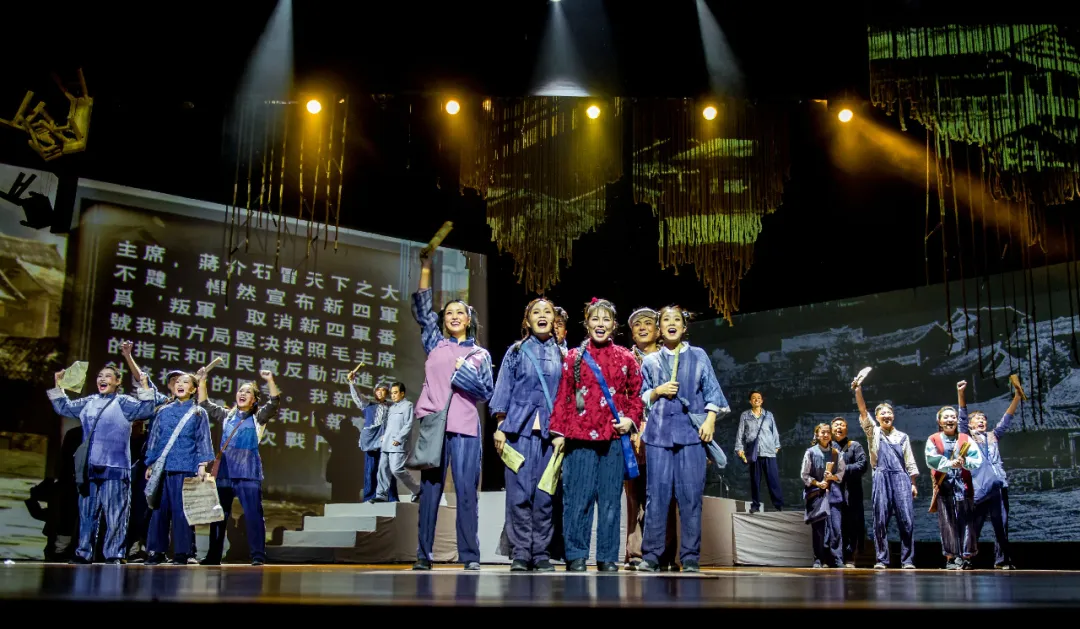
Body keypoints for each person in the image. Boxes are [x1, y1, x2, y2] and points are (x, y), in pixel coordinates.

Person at [411, 253, 494, 571]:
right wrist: (426, 268)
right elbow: (422, 311)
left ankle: (470, 556)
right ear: (443, 319)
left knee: (466, 493)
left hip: (465, 428)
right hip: (435, 425)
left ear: (469, 319)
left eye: (460, 312)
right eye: (449, 313)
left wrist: (465, 372)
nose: (454, 316)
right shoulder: (435, 343)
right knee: (430, 492)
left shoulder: (479, 354)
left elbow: (485, 392)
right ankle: (423, 555)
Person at [550, 298, 643, 572]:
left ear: (614, 325)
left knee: (611, 502)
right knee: (578, 499)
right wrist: (558, 433)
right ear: (587, 323)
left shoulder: (626, 357)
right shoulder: (573, 357)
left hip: (613, 438)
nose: (600, 324)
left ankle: (607, 557)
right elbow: (564, 397)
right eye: (595, 319)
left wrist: (631, 419)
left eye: (606, 319)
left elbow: (637, 395)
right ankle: (576, 555)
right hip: (579, 438)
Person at [636, 305, 727, 573]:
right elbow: (641, 397)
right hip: (658, 435)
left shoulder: (698, 355)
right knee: (656, 497)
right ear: (659, 328)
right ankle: (651, 556)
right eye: (666, 320)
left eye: (676, 319)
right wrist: (658, 391)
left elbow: (713, 392)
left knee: (691, 497)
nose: (671, 323)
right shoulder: (651, 361)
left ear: (684, 327)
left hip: (691, 435)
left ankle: (689, 557)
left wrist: (710, 420)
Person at [47, 365, 157, 564]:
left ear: (117, 382)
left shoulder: (123, 402)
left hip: (115, 467)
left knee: (116, 514)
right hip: (90, 467)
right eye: (100, 376)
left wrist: (145, 387)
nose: (102, 379)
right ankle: (83, 552)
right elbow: (64, 408)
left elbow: (147, 410)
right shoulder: (89, 401)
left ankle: (114, 554)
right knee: (87, 513)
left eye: (108, 376)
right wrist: (58, 385)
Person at [491, 298, 563, 572]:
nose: (542, 316)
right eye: (536, 312)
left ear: (554, 319)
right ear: (528, 320)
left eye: (547, 312)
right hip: (517, 432)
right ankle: (521, 552)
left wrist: (561, 432)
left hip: (550, 435)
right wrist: (500, 425)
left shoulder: (563, 354)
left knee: (545, 495)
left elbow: (567, 397)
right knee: (518, 495)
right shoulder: (516, 351)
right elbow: (504, 388)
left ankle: (541, 552)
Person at [197, 368, 281, 566]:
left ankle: (257, 555)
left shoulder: (258, 417)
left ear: (254, 399)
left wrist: (270, 380)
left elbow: (274, 402)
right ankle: (213, 556)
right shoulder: (227, 415)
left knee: (253, 514)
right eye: (241, 390)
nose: (242, 393)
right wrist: (202, 381)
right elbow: (204, 404)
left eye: (248, 392)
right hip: (225, 471)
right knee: (219, 516)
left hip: (247, 470)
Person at [623, 307, 677, 571]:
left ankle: (665, 553)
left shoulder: (670, 358)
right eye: (637, 325)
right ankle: (635, 553)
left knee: (665, 494)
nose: (643, 328)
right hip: (633, 433)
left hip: (665, 432)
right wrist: (633, 429)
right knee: (634, 495)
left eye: (648, 323)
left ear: (658, 330)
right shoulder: (625, 358)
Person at [143, 372, 214, 565]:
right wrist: (150, 463)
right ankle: (156, 551)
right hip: (163, 468)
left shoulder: (198, 412)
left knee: (182, 513)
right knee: (159, 511)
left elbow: (203, 439)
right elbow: (155, 439)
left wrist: (202, 464)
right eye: (177, 382)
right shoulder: (163, 412)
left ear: (193, 389)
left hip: (186, 466)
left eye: (185, 382)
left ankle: (183, 552)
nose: (180, 384)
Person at [853, 380, 919, 569]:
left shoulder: (902, 437)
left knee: (906, 520)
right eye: (882, 413)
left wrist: (913, 483)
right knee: (880, 519)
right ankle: (882, 559)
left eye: (889, 413)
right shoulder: (873, 433)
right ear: (877, 417)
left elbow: (909, 461)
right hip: (881, 476)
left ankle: (907, 560)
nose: (886, 416)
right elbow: (863, 411)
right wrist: (858, 390)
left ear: (893, 416)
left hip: (901, 478)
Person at [958, 378, 1023, 569]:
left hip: (998, 485)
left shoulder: (993, 436)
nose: (981, 421)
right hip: (979, 487)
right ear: (970, 425)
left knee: (1001, 524)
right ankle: (967, 558)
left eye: (984, 419)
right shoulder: (967, 437)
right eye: (977, 419)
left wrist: (1017, 398)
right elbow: (962, 419)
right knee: (974, 524)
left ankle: (1002, 560)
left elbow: (1006, 419)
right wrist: (961, 394)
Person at [925, 404, 982, 570]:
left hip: (963, 485)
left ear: (957, 420)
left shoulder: (965, 438)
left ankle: (966, 556)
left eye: (953, 417)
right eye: (946, 417)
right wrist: (950, 463)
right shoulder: (933, 439)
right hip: (944, 485)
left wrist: (964, 463)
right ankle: (951, 557)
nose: (950, 420)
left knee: (967, 521)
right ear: (939, 421)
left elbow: (976, 459)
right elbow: (931, 459)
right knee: (947, 521)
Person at [800, 423, 846, 568]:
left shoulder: (836, 453)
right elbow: (804, 474)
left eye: (828, 432)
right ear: (817, 435)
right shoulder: (811, 452)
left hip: (833, 494)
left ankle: (836, 559)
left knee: (836, 528)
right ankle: (818, 559)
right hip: (817, 494)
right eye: (822, 432)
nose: (826, 435)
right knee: (818, 529)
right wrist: (817, 483)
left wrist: (832, 477)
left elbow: (841, 472)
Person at [734, 391, 783, 513]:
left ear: (762, 400)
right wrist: (739, 449)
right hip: (754, 452)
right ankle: (755, 505)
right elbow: (740, 433)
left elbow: (774, 432)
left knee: (773, 480)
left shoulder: (768, 415)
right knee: (755, 481)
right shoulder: (745, 415)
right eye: (754, 398)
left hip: (769, 451)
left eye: (759, 398)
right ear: (750, 401)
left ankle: (778, 505)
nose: (756, 400)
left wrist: (776, 446)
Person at [349, 382, 397, 503]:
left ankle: (391, 497)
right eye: (378, 390)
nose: (380, 392)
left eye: (383, 390)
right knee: (371, 468)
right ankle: (369, 497)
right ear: (375, 392)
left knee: (388, 469)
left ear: (387, 393)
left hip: (386, 439)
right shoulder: (368, 404)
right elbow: (357, 397)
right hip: (371, 440)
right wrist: (352, 383)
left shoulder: (392, 406)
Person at [831, 417, 867, 568]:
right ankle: (833, 558)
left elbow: (863, 465)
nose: (839, 427)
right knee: (834, 525)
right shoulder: (828, 447)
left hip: (852, 492)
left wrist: (842, 470)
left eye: (842, 425)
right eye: (836, 425)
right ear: (831, 430)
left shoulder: (855, 446)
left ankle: (850, 556)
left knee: (852, 525)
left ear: (846, 428)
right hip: (833, 492)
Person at [377, 382, 422, 502]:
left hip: (398, 444)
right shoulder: (392, 408)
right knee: (382, 469)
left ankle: (417, 490)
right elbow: (390, 425)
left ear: (402, 393)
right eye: (391, 393)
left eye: (395, 393)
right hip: (386, 443)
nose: (393, 395)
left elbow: (408, 424)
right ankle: (381, 495)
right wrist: (384, 436)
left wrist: (399, 438)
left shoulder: (408, 405)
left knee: (396, 469)